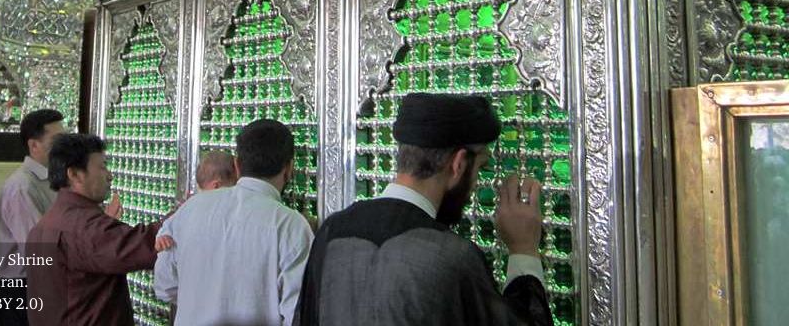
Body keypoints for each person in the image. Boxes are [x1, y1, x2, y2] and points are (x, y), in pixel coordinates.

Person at [294, 93, 552, 326]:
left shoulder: (332, 231)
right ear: (458, 164)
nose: (475, 186)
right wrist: (523, 250)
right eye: (480, 168)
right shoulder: (451, 256)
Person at [154, 119, 314, 326]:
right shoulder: (291, 226)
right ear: (289, 168)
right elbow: (298, 313)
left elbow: (164, 287)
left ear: (237, 165)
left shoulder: (188, 210)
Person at [26, 133, 163, 326]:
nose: (110, 175)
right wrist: (189, 212)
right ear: (74, 174)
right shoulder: (84, 226)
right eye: (102, 167)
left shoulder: (46, 225)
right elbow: (144, 246)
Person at [0, 109, 64, 326]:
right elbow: (37, 249)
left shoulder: (51, 180)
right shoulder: (22, 186)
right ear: (34, 145)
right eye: (58, 140)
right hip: (22, 290)